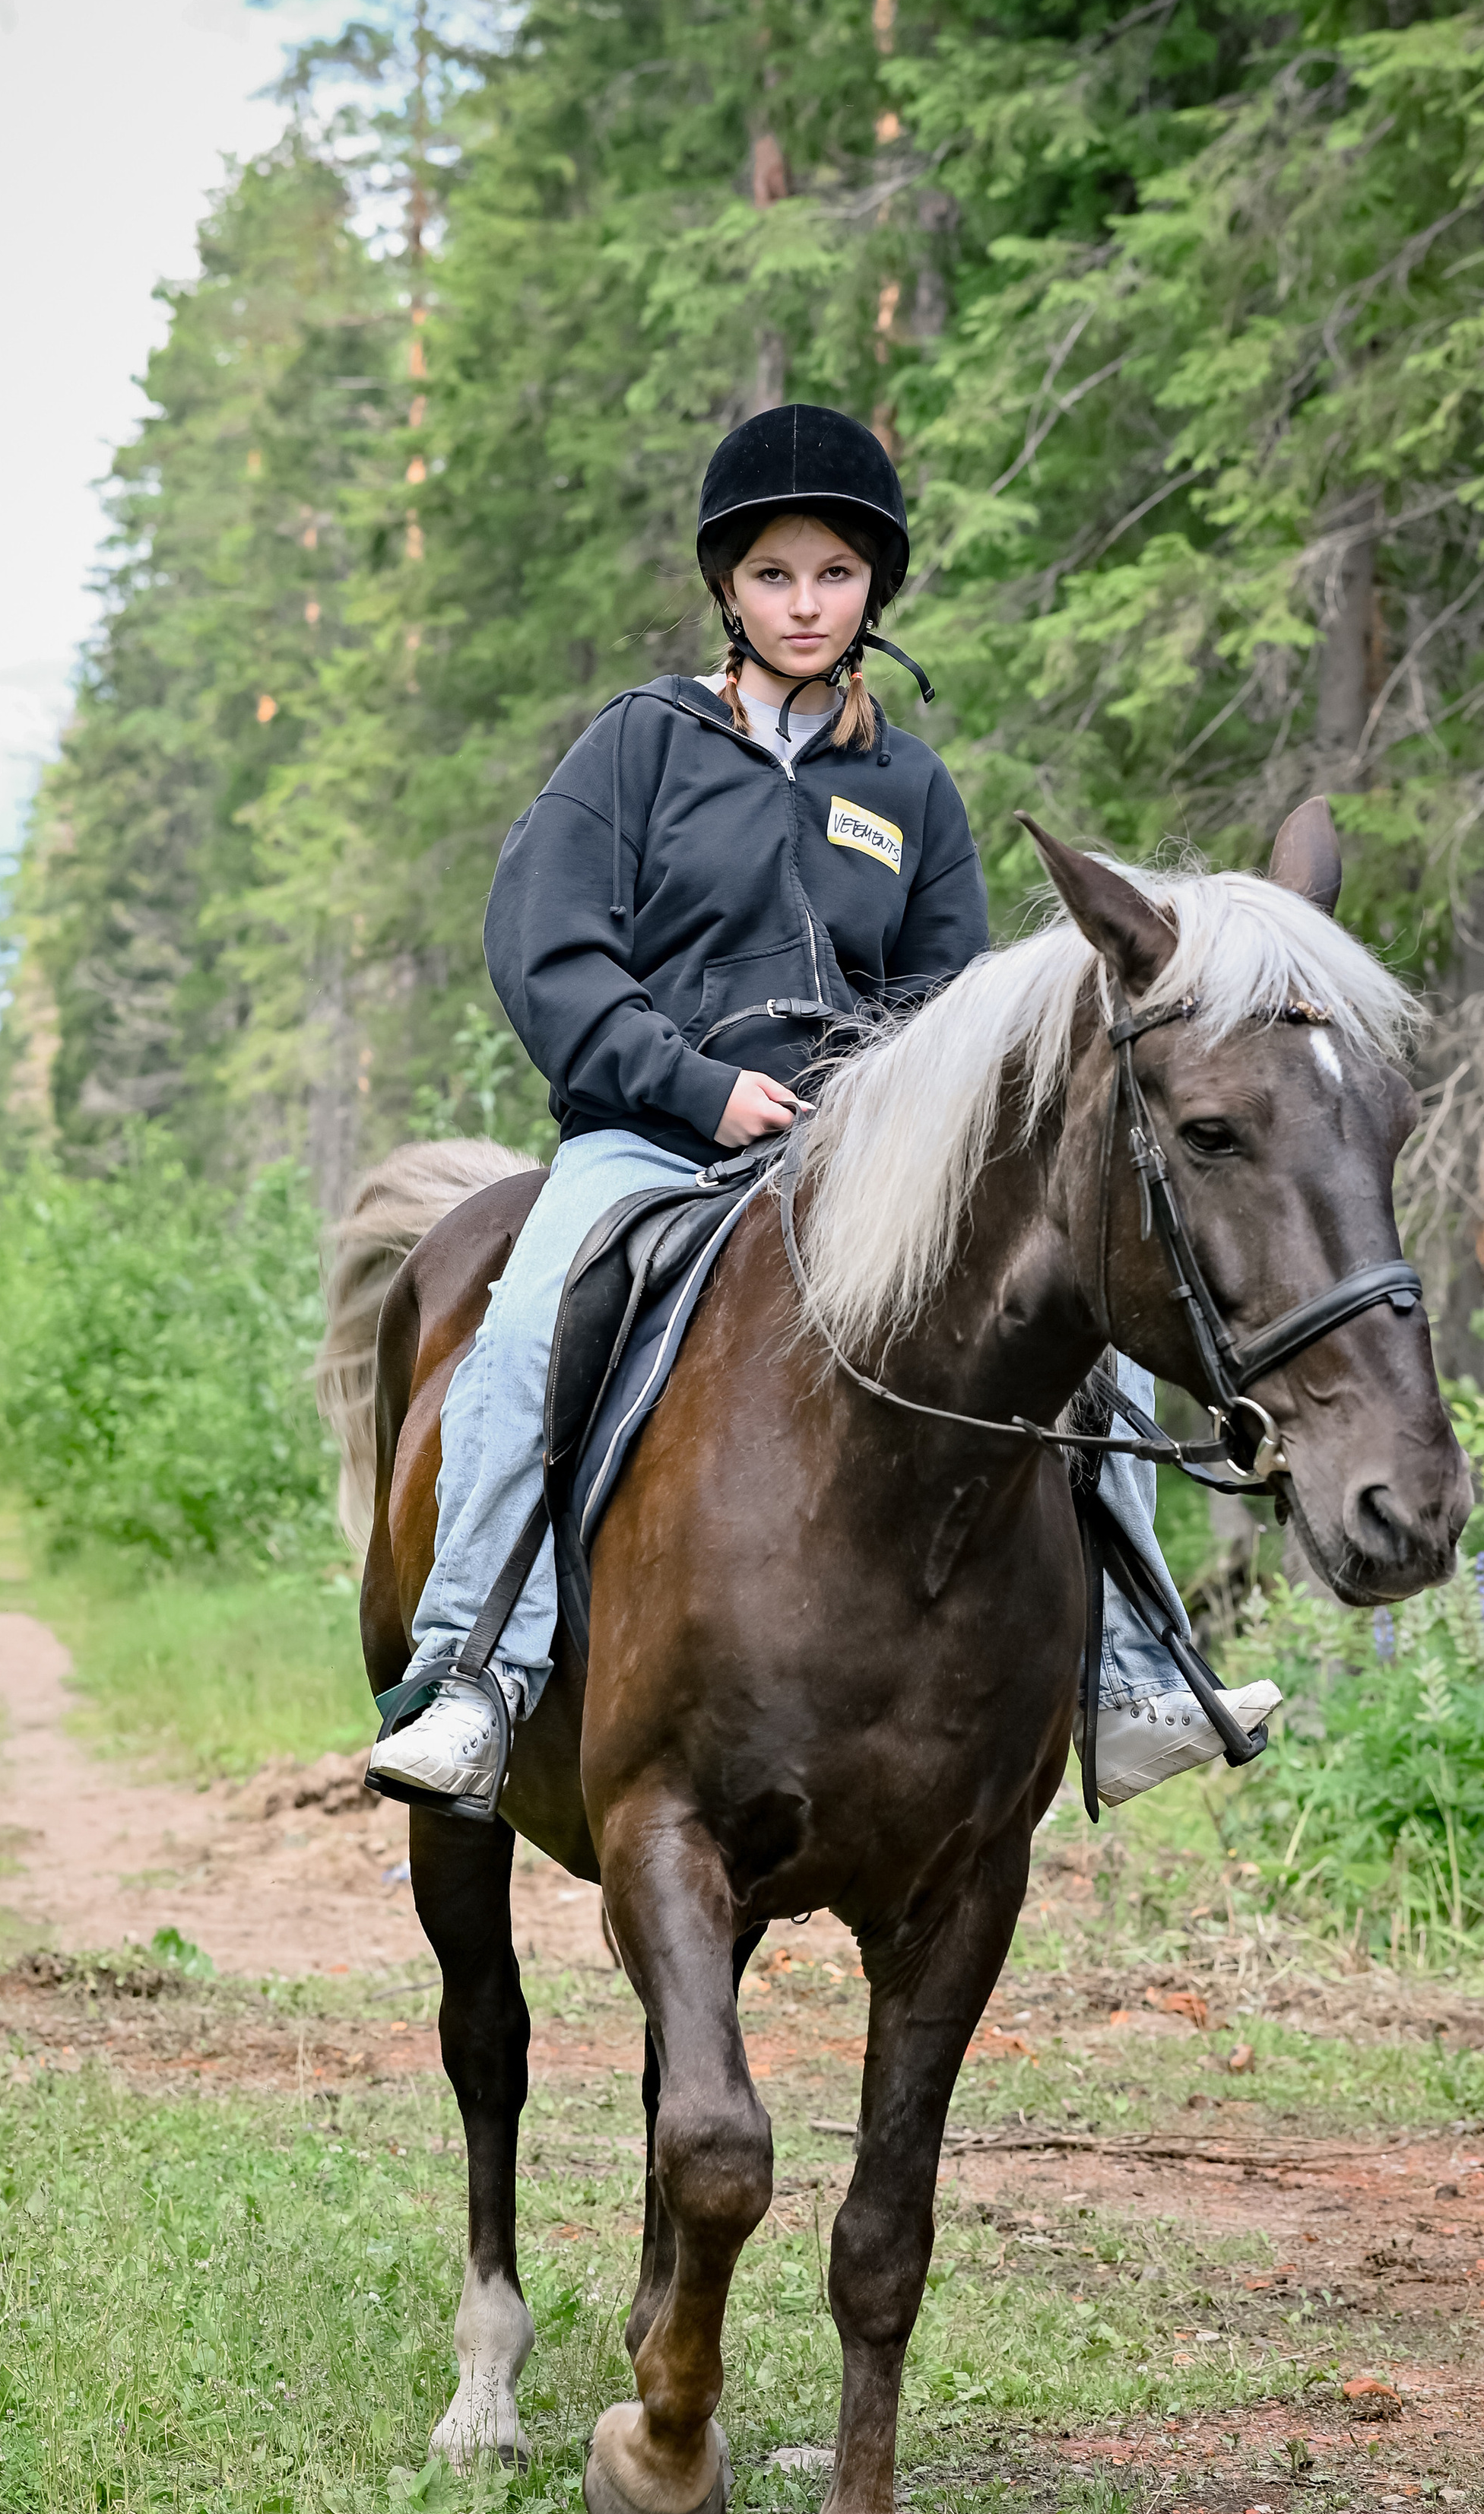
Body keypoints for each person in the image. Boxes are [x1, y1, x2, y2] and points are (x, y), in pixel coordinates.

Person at [369, 405, 1279, 1811]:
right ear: (729, 589)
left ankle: (1137, 1672)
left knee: (1087, 1337)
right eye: (777, 575)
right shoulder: (638, 748)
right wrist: (690, 1083)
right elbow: (546, 948)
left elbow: (945, 1008)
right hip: (651, 1139)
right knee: (526, 1330)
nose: (807, 603)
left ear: (874, 594)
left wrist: (869, 1123)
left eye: (836, 574)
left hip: (857, 1167)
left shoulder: (909, 787)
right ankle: (475, 1676)